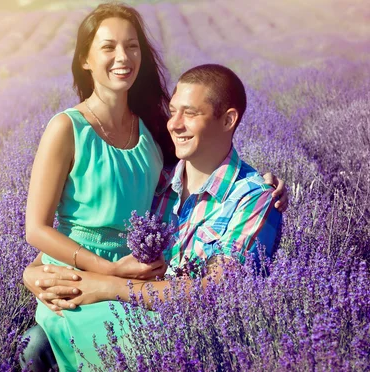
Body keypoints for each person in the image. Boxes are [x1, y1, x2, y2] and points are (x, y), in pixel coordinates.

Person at [22, 2, 287, 370]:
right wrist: (33, 271)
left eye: (132, 46)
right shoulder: (77, 133)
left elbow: (220, 291)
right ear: (84, 58)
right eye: (108, 46)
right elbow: (58, 227)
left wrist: (262, 186)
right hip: (94, 286)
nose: (123, 57)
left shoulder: (154, 141)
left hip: (143, 297)